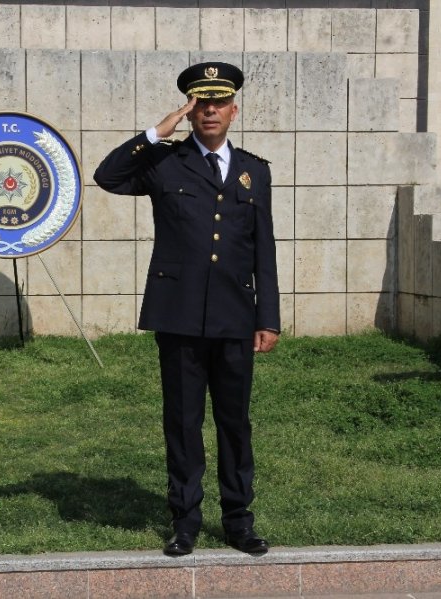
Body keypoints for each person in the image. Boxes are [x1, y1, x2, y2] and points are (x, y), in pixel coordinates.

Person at [93, 62, 280, 556]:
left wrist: (269, 317)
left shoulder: (254, 171)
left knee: (234, 422)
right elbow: (107, 175)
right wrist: (158, 131)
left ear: (234, 111)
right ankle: (185, 520)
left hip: (236, 316)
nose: (210, 111)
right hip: (177, 315)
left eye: (219, 103)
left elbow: (265, 248)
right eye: (201, 104)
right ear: (191, 110)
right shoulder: (165, 163)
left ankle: (239, 519)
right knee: (182, 421)